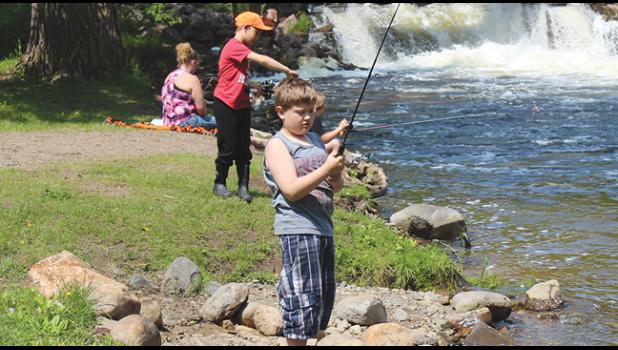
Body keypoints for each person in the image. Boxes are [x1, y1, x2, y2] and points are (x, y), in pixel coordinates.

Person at [263, 77, 345, 346]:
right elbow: (291, 189)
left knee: (321, 297)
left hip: (323, 228)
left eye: (311, 111)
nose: (307, 118)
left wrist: (336, 173)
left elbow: (335, 186)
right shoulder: (278, 145)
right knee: (301, 296)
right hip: (297, 228)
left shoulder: (313, 140)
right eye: (300, 112)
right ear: (281, 112)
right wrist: (325, 169)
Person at [212, 11, 298, 203]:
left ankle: (243, 187)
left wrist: (255, 88)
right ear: (246, 28)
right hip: (225, 103)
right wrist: (286, 70)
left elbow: (238, 78)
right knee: (227, 145)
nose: (258, 37)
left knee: (243, 146)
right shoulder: (234, 46)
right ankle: (220, 183)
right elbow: (264, 60)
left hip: (241, 103)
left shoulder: (241, 50)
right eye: (257, 32)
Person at [161, 43, 217, 129]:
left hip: (168, 122)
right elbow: (201, 109)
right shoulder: (192, 79)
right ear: (194, 62)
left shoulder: (169, 76)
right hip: (186, 121)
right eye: (198, 63)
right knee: (224, 122)